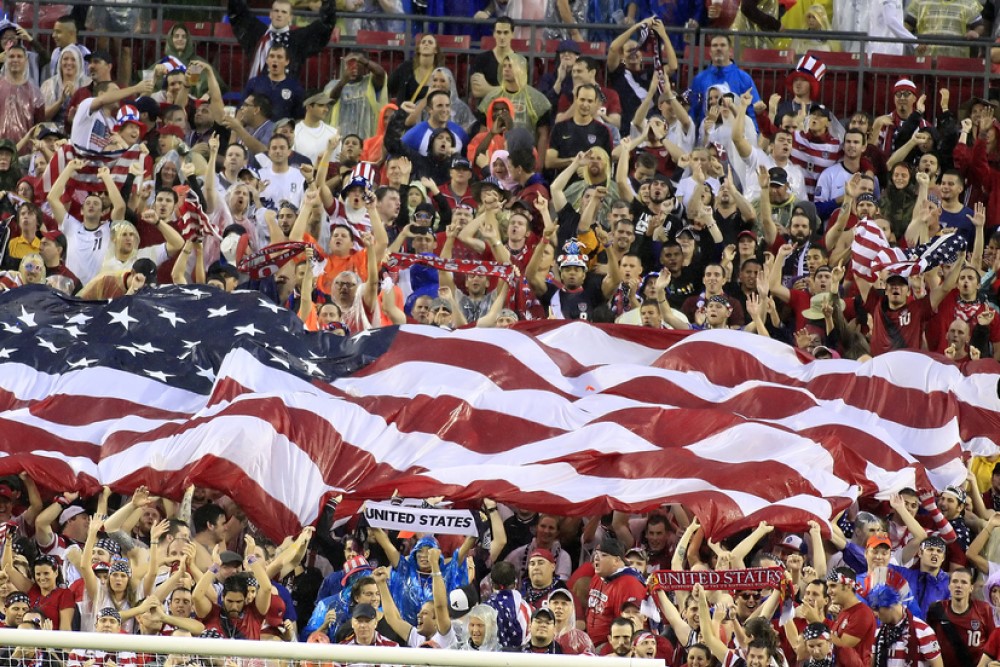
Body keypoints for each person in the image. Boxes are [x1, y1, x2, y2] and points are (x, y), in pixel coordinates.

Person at [227, 0, 336, 79]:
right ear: (270, 14)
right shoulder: (257, 33)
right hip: (256, 94)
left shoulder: (299, 39)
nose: (279, 15)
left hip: (286, 97)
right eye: (276, 11)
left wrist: (328, 2)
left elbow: (325, 25)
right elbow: (238, 14)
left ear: (290, 18)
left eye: (284, 12)